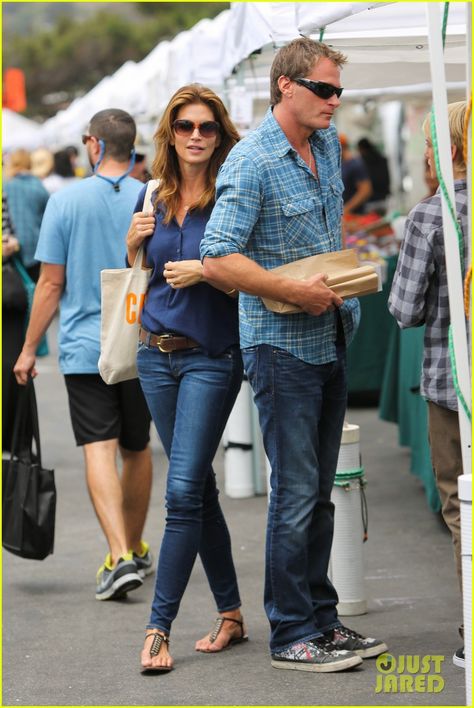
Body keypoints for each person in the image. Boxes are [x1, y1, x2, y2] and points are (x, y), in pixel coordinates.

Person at [201, 37, 387, 672]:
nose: (336, 100)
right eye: (325, 89)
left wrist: (338, 284)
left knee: (321, 492)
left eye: (338, 90)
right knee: (299, 492)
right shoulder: (251, 160)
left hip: (330, 335)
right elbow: (217, 256)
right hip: (281, 347)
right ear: (286, 85)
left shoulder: (328, 144)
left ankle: (323, 621)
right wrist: (290, 289)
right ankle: (290, 633)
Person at [126, 84, 246, 673]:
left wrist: (209, 271)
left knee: (180, 493)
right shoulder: (153, 192)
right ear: (169, 133)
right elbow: (139, 275)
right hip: (154, 354)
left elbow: (254, 278)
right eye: (184, 126)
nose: (195, 136)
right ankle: (230, 613)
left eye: (206, 127)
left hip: (210, 357)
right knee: (196, 489)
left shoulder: (232, 195)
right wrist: (132, 247)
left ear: (220, 135)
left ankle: (157, 628)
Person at [14, 109, 153, 602]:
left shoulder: (66, 202)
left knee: (100, 448)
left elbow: (51, 284)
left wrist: (29, 350)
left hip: (83, 346)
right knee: (136, 448)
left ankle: (117, 556)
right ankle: (135, 544)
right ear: (131, 146)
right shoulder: (151, 196)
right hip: (143, 340)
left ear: (93, 144)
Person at [388, 101, 468, 669]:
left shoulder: (433, 214)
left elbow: (405, 309)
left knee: (463, 506)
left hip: (454, 383)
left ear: (450, 149)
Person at [2, 191, 27, 453]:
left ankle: (11, 441)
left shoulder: (4, 193)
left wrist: (11, 244)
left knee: (10, 369)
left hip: (7, 298)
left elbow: (11, 233)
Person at [4, 148, 50, 282]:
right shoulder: (39, 187)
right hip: (37, 249)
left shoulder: (7, 186)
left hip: (11, 250)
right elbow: (47, 221)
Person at [339, 133, 373, 215]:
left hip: (356, 214)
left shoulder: (354, 164)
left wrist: (346, 209)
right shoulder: (340, 164)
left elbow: (366, 191)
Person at [357, 137, 391, 214]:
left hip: (370, 202)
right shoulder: (382, 159)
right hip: (383, 200)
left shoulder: (362, 161)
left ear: (361, 149)